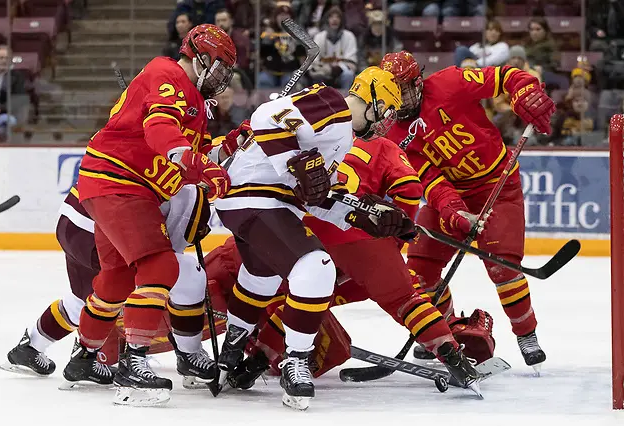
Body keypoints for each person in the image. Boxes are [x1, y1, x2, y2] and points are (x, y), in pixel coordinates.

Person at [222, 135, 484, 393]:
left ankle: (255, 364)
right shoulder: (384, 145)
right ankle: (453, 357)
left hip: (308, 232)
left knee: (308, 301)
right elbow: (410, 188)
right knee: (406, 299)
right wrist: (396, 237)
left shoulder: (319, 138)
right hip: (360, 229)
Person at [61, 24, 236, 406]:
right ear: (201, 58)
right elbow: (159, 129)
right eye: (220, 68)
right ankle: (133, 362)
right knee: (160, 268)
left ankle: (85, 356)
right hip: (120, 181)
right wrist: (193, 162)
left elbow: (195, 155)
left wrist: (230, 146)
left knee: (116, 278)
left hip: (118, 183)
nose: (222, 80)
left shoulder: (193, 101)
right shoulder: (167, 72)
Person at [213, 67, 408, 410]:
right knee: (316, 267)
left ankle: (234, 341)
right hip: (257, 195)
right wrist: (295, 163)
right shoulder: (333, 104)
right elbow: (267, 116)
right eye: (388, 111)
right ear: (373, 99)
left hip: (260, 202)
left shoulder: (343, 139)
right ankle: (296, 360)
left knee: (262, 274)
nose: (386, 122)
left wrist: (366, 217)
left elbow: (316, 197)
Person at [379, 51, 555, 371]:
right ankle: (444, 334)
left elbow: (506, 77)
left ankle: (526, 334)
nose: (397, 97)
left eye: (403, 88)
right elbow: (429, 181)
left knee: (502, 266)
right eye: (391, 89)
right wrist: (455, 212)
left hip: (497, 186)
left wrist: (525, 90)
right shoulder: (394, 133)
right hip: (452, 194)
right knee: (420, 269)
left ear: (418, 83)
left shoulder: (450, 81)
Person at [1, 184, 213, 390]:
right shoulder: (187, 189)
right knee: (185, 274)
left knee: (85, 297)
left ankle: (31, 347)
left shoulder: (169, 160)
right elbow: (161, 256)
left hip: (72, 221)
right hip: (101, 228)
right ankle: (189, 354)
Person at [310, 6, 358, 89]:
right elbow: (314, 59)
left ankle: (345, 99)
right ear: (327, 20)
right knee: (317, 76)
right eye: (331, 17)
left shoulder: (349, 36)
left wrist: (337, 68)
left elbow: (351, 61)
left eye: (337, 17)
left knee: (348, 74)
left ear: (341, 20)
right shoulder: (319, 36)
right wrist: (324, 68)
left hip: (342, 71)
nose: (334, 20)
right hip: (323, 71)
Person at [0, 45, 27, 141]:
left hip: (3, 111)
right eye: (1, 58)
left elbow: (18, 99)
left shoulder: (16, 76)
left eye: (7, 58)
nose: (4, 61)